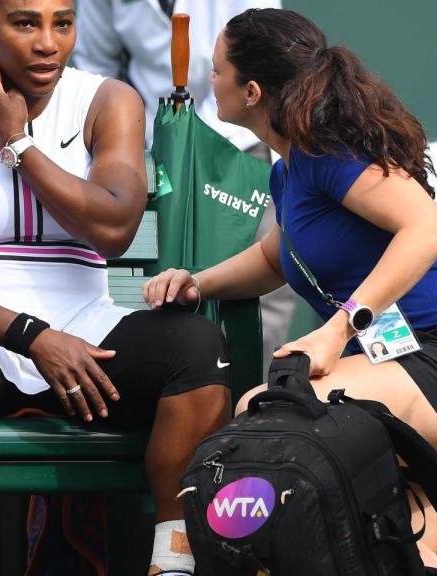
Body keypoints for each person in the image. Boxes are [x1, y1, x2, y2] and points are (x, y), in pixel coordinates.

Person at [143, 8, 437, 576]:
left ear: (252, 91)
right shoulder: (288, 170)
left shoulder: (327, 153)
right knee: (399, 568)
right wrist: (198, 281)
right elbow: (275, 257)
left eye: (215, 70)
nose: (207, 81)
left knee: (267, 415)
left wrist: (339, 329)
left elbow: (429, 226)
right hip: (409, 380)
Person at [0, 1, 230, 575]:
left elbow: (116, 228)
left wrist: (19, 143)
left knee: (196, 347)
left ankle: (174, 563)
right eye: (25, 23)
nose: (47, 42)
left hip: (88, 339)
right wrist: (34, 337)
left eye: (62, 23)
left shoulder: (108, 101)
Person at [74, 0, 297, 376]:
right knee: (161, 280)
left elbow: (261, 56)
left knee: (264, 286)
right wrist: (151, 131)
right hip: (152, 146)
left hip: (239, 139)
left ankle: (255, 400)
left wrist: (193, 133)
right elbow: (97, 66)